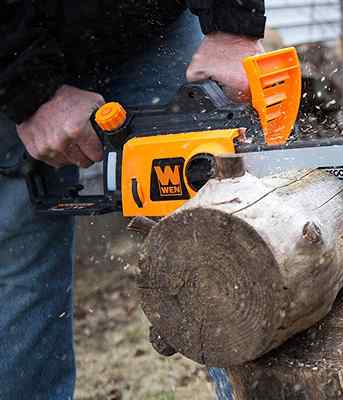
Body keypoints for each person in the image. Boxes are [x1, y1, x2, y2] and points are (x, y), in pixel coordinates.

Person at [0, 1, 265, 399]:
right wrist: (30, 88)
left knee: (227, 220)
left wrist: (233, 27)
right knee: (23, 266)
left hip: (148, 25)